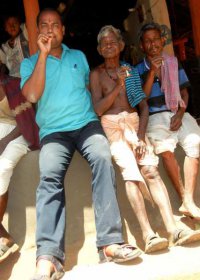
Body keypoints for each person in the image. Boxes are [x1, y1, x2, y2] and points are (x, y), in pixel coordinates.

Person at [20, 9, 141, 280]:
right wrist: (42, 54)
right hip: (54, 132)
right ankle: (48, 257)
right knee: (49, 175)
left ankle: (109, 243)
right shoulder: (30, 63)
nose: (50, 30)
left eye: (55, 25)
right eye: (44, 25)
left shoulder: (78, 57)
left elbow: (91, 90)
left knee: (101, 156)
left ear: (63, 30)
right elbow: (31, 94)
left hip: (86, 124)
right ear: (37, 31)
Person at [89, 25, 200, 254]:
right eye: (104, 43)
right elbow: (99, 109)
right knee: (131, 175)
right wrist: (118, 85)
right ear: (99, 50)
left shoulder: (129, 70)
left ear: (121, 47)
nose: (109, 46)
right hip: (113, 127)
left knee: (150, 170)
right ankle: (148, 235)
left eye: (113, 42)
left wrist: (140, 136)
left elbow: (143, 106)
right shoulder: (96, 74)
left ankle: (174, 229)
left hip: (134, 123)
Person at [136, 22, 200, 220]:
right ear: (142, 46)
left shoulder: (173, 62)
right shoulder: (137, 69)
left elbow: (184, 93)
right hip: (154, 115)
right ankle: (186, 200)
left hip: (177, 111)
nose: (152, 44)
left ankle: (187, 201)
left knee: (195, 143)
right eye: (148, 41)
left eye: (156, 39)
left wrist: (180, 114)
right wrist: (153, 72)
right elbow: (141, 99)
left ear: (162, 41)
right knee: (166, 151)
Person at [0, 73, 39, 262]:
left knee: (3, 168)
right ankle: (3, 236)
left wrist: (4, 141)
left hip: (18, 135)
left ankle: (4, 238)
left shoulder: (14, 84)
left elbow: (25, 119)